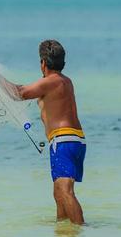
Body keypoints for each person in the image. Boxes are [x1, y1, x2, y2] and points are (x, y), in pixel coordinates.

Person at [15, 40, 86, 224]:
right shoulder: (64, 81)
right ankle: (64, 235)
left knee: (64, 190)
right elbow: (26, 89)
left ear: (43, 63)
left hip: (64, 141)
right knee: (58, 192)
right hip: (72, 141)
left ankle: (82, 232)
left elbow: (21, 93)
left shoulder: (50, 82)